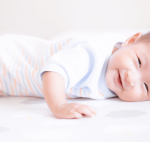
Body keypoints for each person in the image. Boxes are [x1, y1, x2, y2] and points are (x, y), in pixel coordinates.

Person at [0, 32, 148, 119]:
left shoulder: (119, 78)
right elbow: (54, 71)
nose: (131, 79)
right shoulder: (92, 54)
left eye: (146, 86)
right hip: (6, 58)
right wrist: (60, 106)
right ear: (130, 41)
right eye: (139, 62)